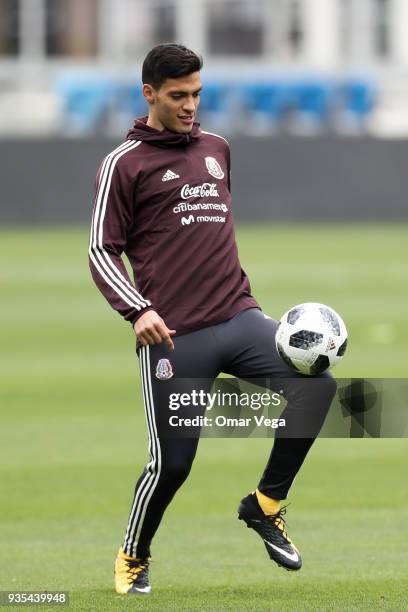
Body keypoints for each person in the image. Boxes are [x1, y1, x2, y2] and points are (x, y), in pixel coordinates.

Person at [89, 43, 336, 595]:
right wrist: (139, 309)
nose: (190, 106)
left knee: (318, 388)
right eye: (178, 96)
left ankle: (265, 505)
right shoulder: (123, 164)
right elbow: (101, 252)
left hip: (239, 316)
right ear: (149, 93)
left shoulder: (217, 148)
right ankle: (133, 555)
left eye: (197, 94)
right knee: (173, 466)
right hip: (176, 338)